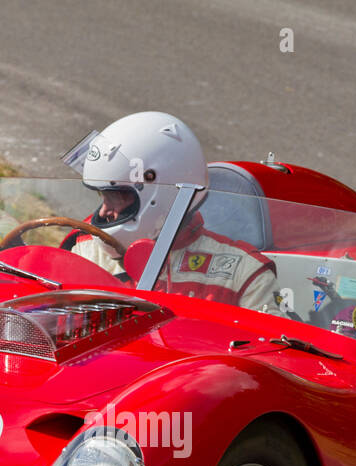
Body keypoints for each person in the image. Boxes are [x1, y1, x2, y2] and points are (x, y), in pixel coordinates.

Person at [66, 112, 277, 314]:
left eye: (118, 197)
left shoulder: (243, 274)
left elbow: (274, 349)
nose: (104, 211)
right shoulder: (84, 253)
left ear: (161, 194)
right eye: (102, 196)